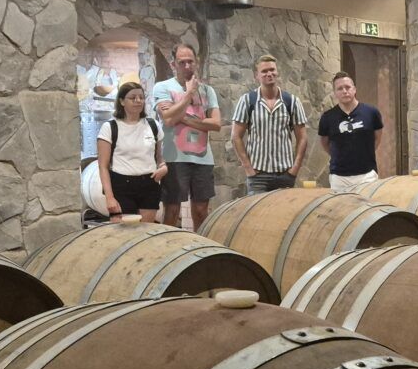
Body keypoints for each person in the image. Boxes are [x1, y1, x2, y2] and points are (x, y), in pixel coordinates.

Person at [153, 44, 221, 231]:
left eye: (190, 61)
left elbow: (216, 124)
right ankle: (169, 247)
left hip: (203, 159)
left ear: (196, 62)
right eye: (182, 62)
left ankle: (201, 245)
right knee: (172, 211)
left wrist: (181, 117)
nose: (187, 66)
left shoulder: (208, 91)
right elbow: (167, 120)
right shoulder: (162, 87)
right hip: (174, 158)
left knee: (201, 211)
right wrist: (189, 93)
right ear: (173, 64)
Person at [231, 55, 308, 195]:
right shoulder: (247, 101)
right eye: (264, 71)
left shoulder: (292, 102)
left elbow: (302, 137)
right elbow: (236, 137)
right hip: (258, 176)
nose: (269, 74)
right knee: (257, 210)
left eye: (272, 70)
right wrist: (248, 168)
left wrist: (295, 168)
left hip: (285, 175)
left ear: (277, 72)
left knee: (285, 210)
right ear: (256, 75)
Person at [97, 82, 167, 223]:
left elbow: (160, 158)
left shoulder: (153, 125)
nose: (138, 100)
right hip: (121, 185)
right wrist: (109, 197)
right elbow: (103, 166)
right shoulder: (110, 127)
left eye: (141, 97)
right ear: (122, 101)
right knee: (123, 232)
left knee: (146, 232)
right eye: (133, 97)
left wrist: (164, 167)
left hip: (149, 183)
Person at [319, 72, 383, 191]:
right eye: (340, 88)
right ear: (335, 93)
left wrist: (365, 152)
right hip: (339, 178)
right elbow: (325, 143)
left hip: (367, 175)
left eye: (347, 87)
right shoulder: (327, 117)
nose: (344, 91)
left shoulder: (371, 112)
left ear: (354, 89)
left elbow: (377, 138)